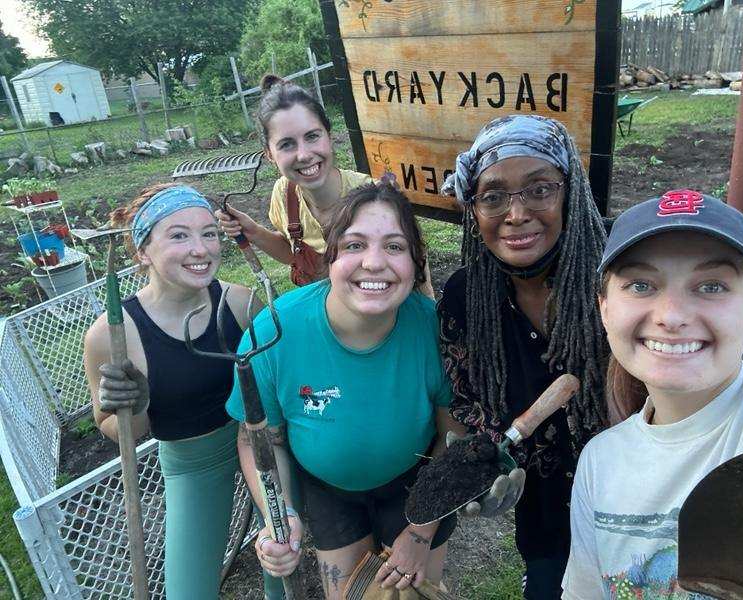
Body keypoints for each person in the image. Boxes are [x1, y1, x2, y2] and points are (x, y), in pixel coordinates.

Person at [225, 182, 459, 600]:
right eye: (354, 245)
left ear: (415, 263)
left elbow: (454, 439)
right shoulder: (274, 333)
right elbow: (257, 439)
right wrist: (281, 513)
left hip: (419, 484)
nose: (373, 263)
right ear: (330, 258)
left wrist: (421, 531)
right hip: (328, 490)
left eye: (394, 246)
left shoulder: (434, 330)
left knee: (418, 593)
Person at [562, 190, 743, 599]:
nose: (671, 316)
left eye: (710, 286)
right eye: (640, 285)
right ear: (604, 309)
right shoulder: (599, 462)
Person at [438, 114, 610, 598]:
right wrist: (485, 461)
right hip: (546, 522)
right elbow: (470, 404)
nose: (516, 214)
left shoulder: (623, 273)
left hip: (639, 509)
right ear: (473, 210)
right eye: (493, 196)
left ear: (569, 191)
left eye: (540, 189)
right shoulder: (465, 299)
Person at [83, 184, 260, 599]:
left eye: (209, 233)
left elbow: (279, 381)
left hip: (262, 442)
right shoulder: (113, 336)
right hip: (191, 462)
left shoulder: (240, 304)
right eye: (179, 235)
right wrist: (133, 404)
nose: (200, 249)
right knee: (188, 591)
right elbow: (119, 428)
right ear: (143, 251)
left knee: (280, 547)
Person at [216, 74, 372, 286]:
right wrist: (253, 232)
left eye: (312, 136)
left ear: (329, 135)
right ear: (269, 154)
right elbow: (294, 255)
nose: (304, 155)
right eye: (287, 144)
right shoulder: (284, 194)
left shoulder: (370, 195)